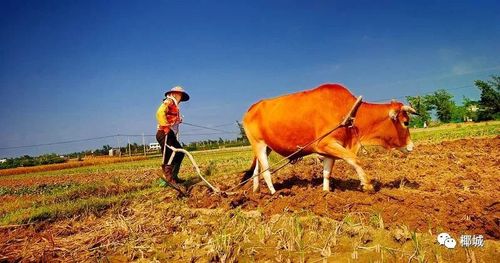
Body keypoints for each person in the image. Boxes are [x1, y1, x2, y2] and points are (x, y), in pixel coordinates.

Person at [156, 86, 190, 194]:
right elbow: (160, 112)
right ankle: (169, 178)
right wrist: (165, 126)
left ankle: (173, 177)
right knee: (170, 154)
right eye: (181, 95)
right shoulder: (169, 101)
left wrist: (177, 120)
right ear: (175, 94)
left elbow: (170, 116)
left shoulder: (175, 105)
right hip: (164, 132)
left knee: (179, 153)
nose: (181, 98)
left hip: (170, 134)